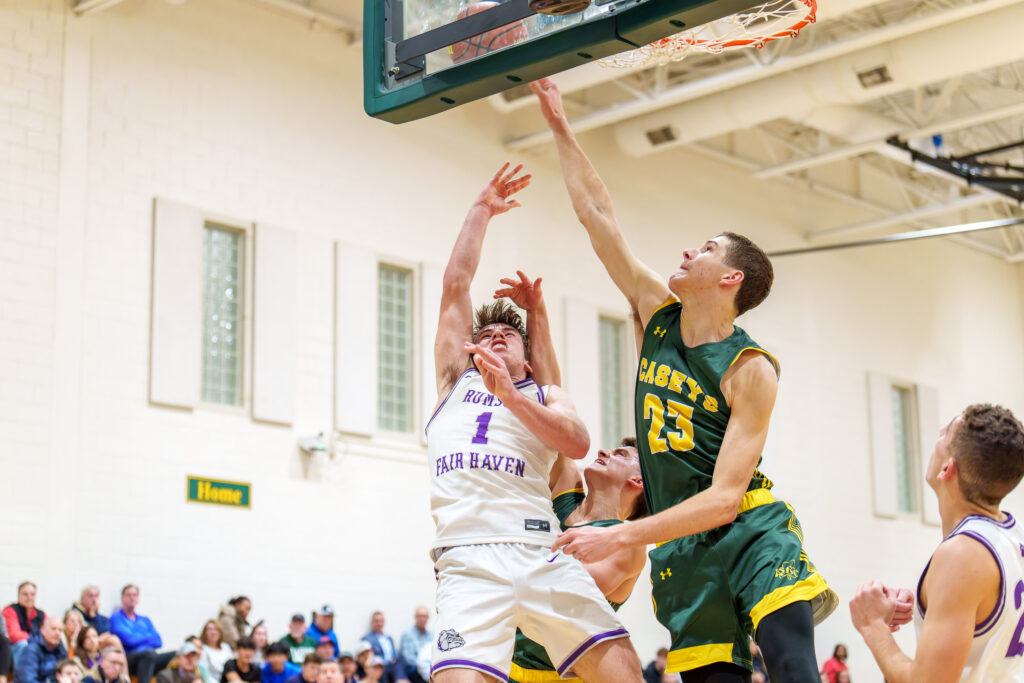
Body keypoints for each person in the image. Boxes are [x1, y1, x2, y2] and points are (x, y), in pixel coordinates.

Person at [532, 77, 838, 683]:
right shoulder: (657, 314)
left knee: (793, 667)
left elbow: (724, 499)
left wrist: (622, 534)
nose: (688, 252)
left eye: (705, 248)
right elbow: (598, 218)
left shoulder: (751, 370)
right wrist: (560, 125)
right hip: (680, 545)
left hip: (748, 527)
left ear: (730, 279)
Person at [427, 163, 642, 683]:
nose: (497, 334)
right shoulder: (456, 379)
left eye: (509, 332)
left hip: (538, 551)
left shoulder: (544, 394)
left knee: (626, 676)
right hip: (467, 557)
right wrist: (480, 211)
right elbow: (456, 283)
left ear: (527, 357)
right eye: (489, 331)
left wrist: (513, 395)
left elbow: (578, 441)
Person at [850, 403, 1024, 682]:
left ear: (947, 468)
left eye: (945, 434)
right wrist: (927, 599)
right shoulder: (1011, 538)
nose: (937, 435)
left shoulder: (963, 554)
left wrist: (872, 625)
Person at [510, 433, 648, 683]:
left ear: (637, 480)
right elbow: (555, 427)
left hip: (560, 675)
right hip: (507, 662)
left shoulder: (628, 544)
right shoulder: (567, 486)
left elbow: (558, 591)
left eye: (620, 455)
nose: (603, 452)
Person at [109, 586, 173, 683]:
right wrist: (147, 637)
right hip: (129, 658)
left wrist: (136, 637)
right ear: (122, 598)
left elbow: (158, 641)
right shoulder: (116, 617)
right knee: (148, 654)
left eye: (134, 595)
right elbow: (128, 640)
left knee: (177, 654)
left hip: (150, 658)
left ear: (138, 598)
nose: (132, 598)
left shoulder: (145, 620)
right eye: (128, 595)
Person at [14, 616, 67, 683]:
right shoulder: (31, 651)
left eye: (60, 630)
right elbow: (28, 680)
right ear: (42, 630)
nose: (57, 633)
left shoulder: (62, 651)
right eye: (53, 629)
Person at [4, 582, 45, 658]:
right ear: (18, 596)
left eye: (32, 594)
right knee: (23, 644)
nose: (29, 597)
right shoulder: (10, 611)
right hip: (14, 649)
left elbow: (48, 634)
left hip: (35, 647)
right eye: (25, 594)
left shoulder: (41, 614)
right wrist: (36, 639)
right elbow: (14, 635)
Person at [360, 614, 402, 683]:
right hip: (379, 664)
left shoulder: (389, 638)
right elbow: (368, 656)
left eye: (381, 621)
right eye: (376, 621)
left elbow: (394, 652)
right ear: (371, 623)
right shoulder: (367, 638)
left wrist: (395, 658)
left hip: (392, 664)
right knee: (380, 669)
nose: (379, 624)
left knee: (400, 663)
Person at [397, 608, 429, 683]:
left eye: (424, 616)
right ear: (415, 617)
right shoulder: (407, 634)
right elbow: (408, 658)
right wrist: (423, 666)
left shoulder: (431, 636)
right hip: (413, 668)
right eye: (420, 616)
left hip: (428, 667)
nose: (422, 619)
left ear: (428, 618)